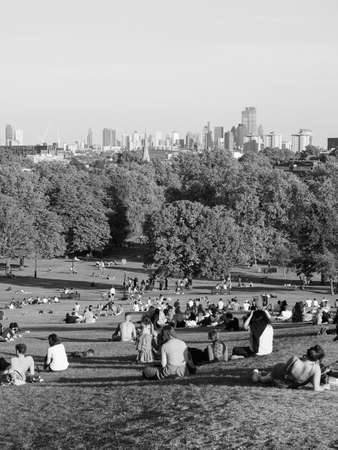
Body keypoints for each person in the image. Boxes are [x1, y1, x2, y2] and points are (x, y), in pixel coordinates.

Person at [252, 345, 328, 392]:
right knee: (266, 378)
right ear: (318, 360)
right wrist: (325, 386)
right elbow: (316, 388)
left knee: (262, 379)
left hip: (278, 375)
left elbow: (285, 372)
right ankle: (257, 373)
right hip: (287, 383)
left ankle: (257, 373)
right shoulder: (316, 369)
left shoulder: (295, 359)